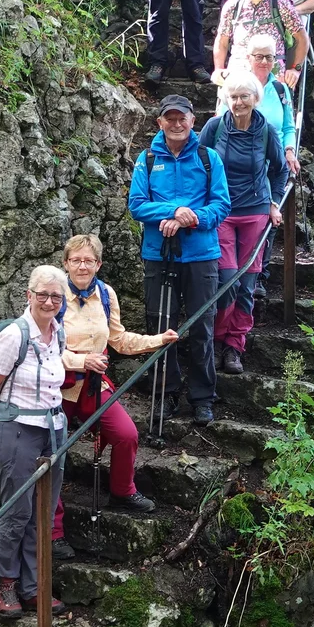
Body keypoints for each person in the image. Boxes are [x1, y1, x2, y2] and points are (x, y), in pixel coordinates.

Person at [49, 233, 180, 559]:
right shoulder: (52, 293)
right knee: (51, 453)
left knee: (125, 434)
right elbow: (44, 347)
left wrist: (157, 340)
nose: (82, 265)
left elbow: (119, 340)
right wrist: (81, 360)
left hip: (93, 384)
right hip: (56, 384)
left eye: (89, 260)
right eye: (76, 260)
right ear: (66, 263)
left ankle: (122, 491)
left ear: (98, 264)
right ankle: (52, 530)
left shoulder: (105, 294)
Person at [0, 266, 74, 619]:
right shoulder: (13, 336)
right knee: (17, 511)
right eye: (43, 294)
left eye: (56, 296)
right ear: (28, 296)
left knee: (43, 512)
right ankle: (5, 585)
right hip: (16, 428)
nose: (49, 302)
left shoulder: (58, 333)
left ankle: (35, 588)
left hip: (52, 430)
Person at [128, 94, 231, 425]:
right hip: (159, 255)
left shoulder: (208, 158)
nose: (176, 123)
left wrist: (191, 218)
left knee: (201, 325)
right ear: (159, 122)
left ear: (192, 120)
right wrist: (174, 211)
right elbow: (137, 204)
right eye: (169, 118)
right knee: (160, 325)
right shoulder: (146, 159)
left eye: (181, 117)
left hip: (201, 254)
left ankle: (203, 397)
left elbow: (221, 205)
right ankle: (166, 393)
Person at [199, 72, 288, 375]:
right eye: (233, 97)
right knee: (225, 280)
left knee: (247, 283)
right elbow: (198, 163)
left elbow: (280, 170)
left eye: (244, 96)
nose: (238, 102)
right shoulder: (215, 127)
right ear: (227, 99)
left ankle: (234, 347)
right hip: (222, 212)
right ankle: (216, 340)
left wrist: (274, 202)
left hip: (255, 212)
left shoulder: (266, 132)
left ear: (255, 99)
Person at [213, 0, 310, 90]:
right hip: (238, 73)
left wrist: (296, 69)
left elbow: (302, 38)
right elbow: (221, 41)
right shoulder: (231, 7)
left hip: (273, 74)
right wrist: (219, 69)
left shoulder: (282, 6)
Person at [216, 34, 301, 176]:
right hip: (241, 163)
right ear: (249, 58)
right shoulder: (235, 85)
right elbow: (221, 123)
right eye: (259, 56)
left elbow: (288, 127)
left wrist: (290, 150)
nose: (264, 61)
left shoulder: (281, 89)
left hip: (275, 163)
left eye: (269, 57)